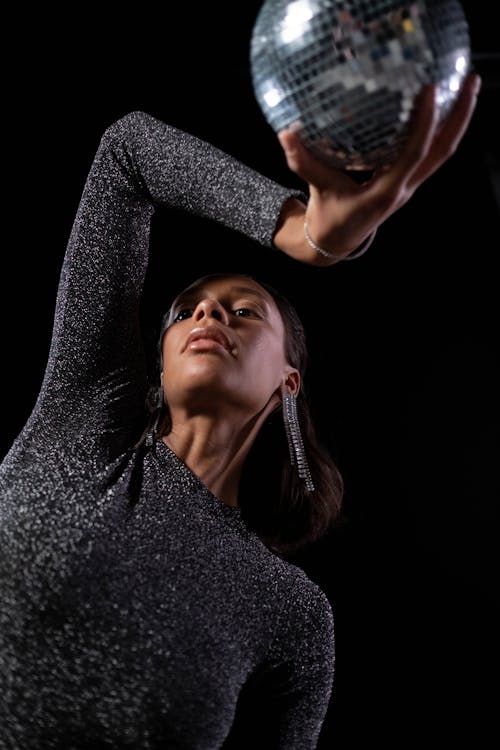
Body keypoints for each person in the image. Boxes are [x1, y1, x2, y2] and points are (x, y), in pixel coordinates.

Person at [0, 73, 481, 749]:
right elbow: (128, 153)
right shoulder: (80, 430)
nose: (209, 312)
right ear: (158, 364)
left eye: (245, 311)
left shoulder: (293, 617)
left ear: (289, 382)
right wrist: (302, 231)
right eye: (186, 311)